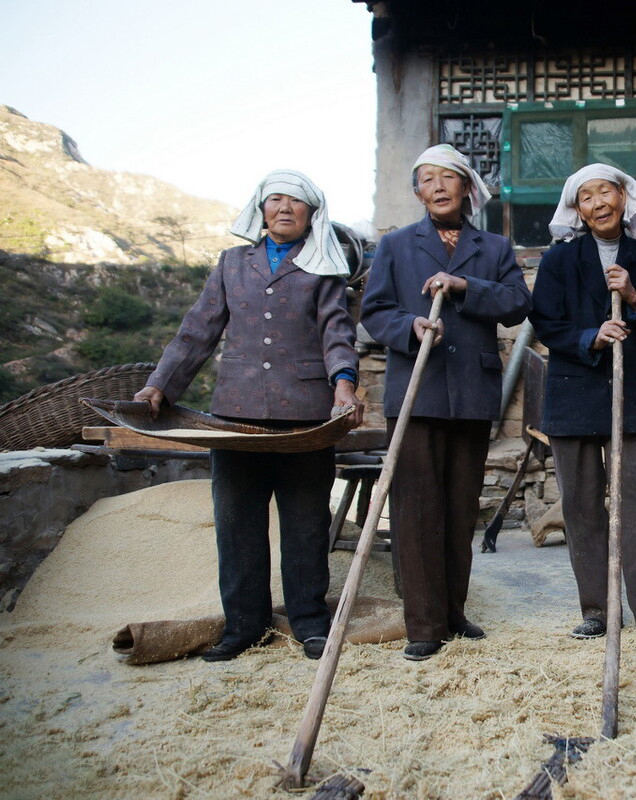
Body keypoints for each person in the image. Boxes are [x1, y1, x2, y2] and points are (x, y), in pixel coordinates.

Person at [135, 169, 364, 662]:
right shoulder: (232, 263)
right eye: (275, 200)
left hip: (305, 417)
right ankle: (244, 626)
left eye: (295, 202)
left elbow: (337, 334)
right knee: (237, 522)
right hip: (234, 415)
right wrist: (159, 386)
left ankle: (308, 621)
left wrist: (343, 387)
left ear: (311, 214)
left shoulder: (323, 267)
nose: (284, 208)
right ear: (260, 209)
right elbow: (198, 329)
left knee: (305, 523)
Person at [360, 144, 531, 661]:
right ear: (418, 193)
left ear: (465, 189)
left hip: (472, 394)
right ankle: (423, 624)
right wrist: (409, 326)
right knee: (415, 510)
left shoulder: (494, 248)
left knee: (460, 509)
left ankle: (454, 612)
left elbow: (517, 304)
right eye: (426, 179)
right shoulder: (395, 246)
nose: (436, 187)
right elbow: (374, 311)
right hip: (417, 390)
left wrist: (463, 285)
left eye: (447, 178)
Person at [530, 163, 636, 642]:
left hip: (633, 398)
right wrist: (591, 337)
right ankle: (599, 612)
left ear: (625, 198)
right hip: (573, 398)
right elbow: (546, 325)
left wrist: (634, 293)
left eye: (607, 192)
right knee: (582, 507)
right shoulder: (559, 262)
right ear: (577, 210)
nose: (598, 203)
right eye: (587, 197)